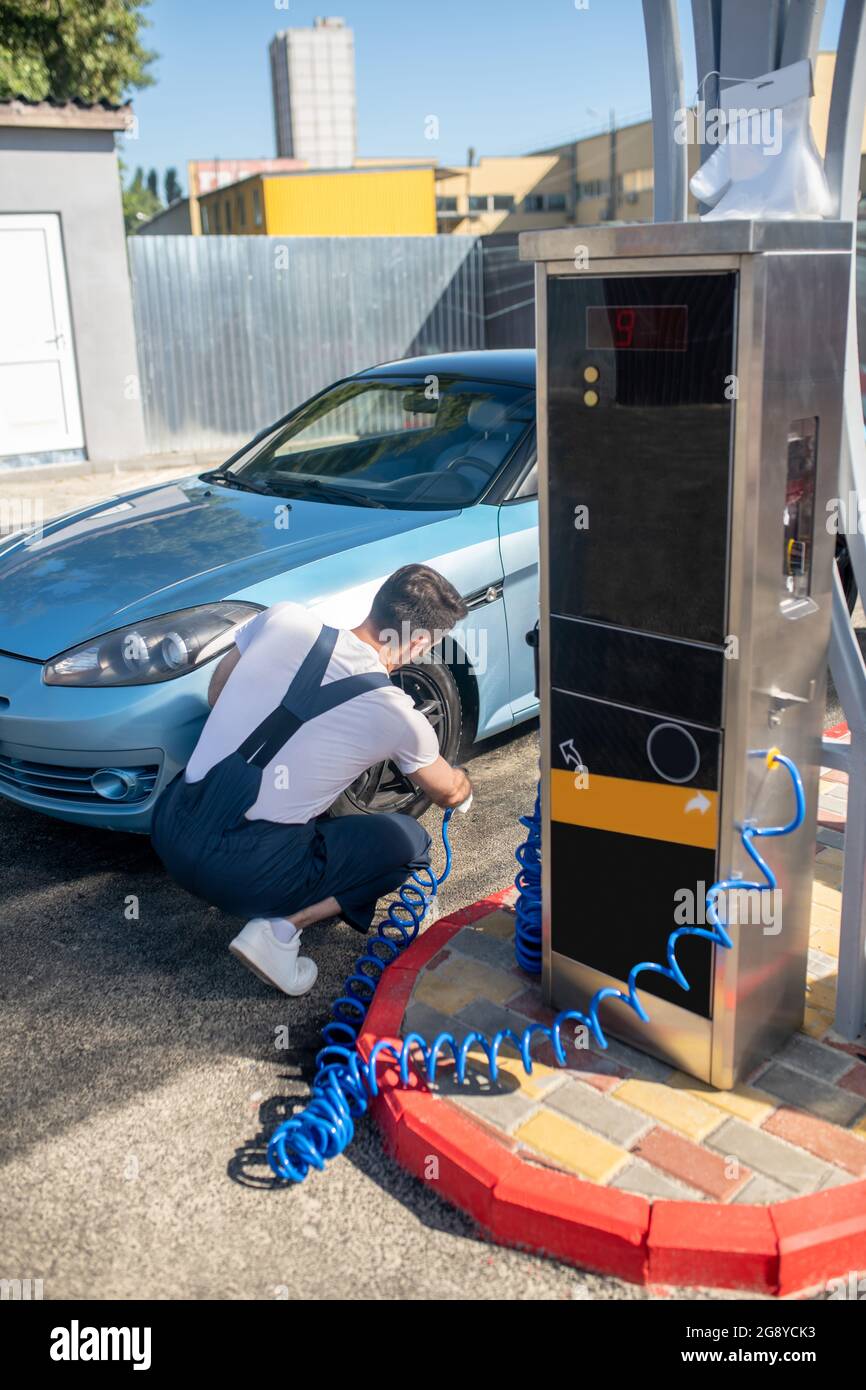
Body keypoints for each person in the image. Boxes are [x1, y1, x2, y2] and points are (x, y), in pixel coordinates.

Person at [151, 564, 473, 996]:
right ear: (416, 642)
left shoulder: (284, 618)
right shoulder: (397, 715)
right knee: (407, 843)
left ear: (378, 604)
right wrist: (463, 784)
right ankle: (279, 932)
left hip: (172, 829)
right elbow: (447, 792)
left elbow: (217, 695)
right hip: (242, 879)